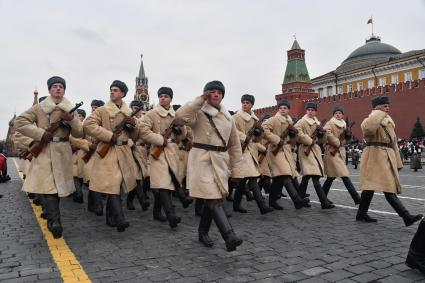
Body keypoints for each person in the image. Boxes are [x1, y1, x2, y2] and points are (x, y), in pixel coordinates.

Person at [175, 80, 244, 251]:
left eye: (219, 92)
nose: (216, 94)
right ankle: (229, 236)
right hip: (202, 160)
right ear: (206, 94)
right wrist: (199, 100)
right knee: (213, 198)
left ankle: (202, 232)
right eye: (212, 91)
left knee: (212, 199)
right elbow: (180, 117)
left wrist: (237, 170)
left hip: (220, 160)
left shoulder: (228, 117)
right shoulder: (199, 112)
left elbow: (235, 145)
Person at [15, 76, 84, 238]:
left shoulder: (70, 108)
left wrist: (72, 119)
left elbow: (79, 133)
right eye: (55, 86)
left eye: (61, 86)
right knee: (49, 187)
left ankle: (53, 218)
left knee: (57, 187)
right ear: (49, 90)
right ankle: (55, 221)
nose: (58, 89)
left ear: (64, 90)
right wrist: (40, 134)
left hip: (63, 152)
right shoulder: (39, 108)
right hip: (45, 150)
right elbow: (20, 122)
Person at [356, 96, 422, 225]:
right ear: (376, 107)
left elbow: (394, 144)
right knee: (387, 187)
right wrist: (377, 113)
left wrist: (398, 161)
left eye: (388, 106)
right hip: (374, 155)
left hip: (386, 156)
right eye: (384, 106)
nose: (388, 108)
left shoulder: (388, 122)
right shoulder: (369, 120)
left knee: (370, 188)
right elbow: (368, 130)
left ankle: (361, 214)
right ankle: (406, 216)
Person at [84, 80, 140, 232]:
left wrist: (133, 126)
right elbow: (88, 125)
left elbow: (135, 135)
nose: (112, 92)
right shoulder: (102, 110)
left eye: (115, 90)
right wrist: (109, 136)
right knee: (113, 184)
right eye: (111, 90)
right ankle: (120, 219)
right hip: (107, 152)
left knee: (115, 186)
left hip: (123, 152)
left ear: (123, 94)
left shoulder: (128, 113)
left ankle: (110, 218)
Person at [140, 87, 187, 228]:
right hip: (158, 151)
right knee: (163, 184)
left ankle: (156, 212)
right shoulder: (151, 113)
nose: (163, 98)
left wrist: (180, 130)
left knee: (165, 184)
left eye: (166, 96)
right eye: (161, 96)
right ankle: (171, 215)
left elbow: (183, 136)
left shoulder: (176, 115)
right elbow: (143, 131)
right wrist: (160, 140)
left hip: (172, 151)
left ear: (171, 99)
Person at [262, 100, 310, 210]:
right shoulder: (273, 119)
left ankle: (272, 201)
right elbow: (264, 128)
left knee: (279, 178)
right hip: (275, 150)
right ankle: (297, 200)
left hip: (286, 151)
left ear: (288, 110)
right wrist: (276, 139)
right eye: (281, 108)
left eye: (285, 108)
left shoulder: (290, 122)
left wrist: (294, 136)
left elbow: (294, 138)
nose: (282, 109)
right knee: (286, 174)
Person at [232, 94, 273, 214]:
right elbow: (234, 132)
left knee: (243, 180)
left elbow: (258, 138)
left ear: (252, 105)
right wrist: (246, 138)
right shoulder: (235, 117)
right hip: (241, 150)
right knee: (253, 177)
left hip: (252, 150)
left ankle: (236, 205)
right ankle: (262, 206)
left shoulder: (255, 120)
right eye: (243, 102)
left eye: (247, 102)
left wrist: (258, 132)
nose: (245, 104)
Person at [295, 102, 334, 209]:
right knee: (315, 176)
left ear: (315, 111)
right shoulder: (302, 121)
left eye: (312, 110)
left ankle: (299, 200)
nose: (310, 111)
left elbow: (322, 140)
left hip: (315, 149)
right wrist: (308, 140)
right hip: (305, 149)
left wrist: (322, 134)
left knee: (306, 176)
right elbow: (297, 132)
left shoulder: (318, 123)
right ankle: (324, 202)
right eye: (308, 110)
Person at [322, 106, 361, 205]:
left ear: (342, 114)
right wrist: (336, 142)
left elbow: (346, 140)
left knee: (331, 177)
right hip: (332, 151)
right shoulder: (329, 123)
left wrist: (348, 137)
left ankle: (322, 197)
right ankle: (357, 198)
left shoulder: (344, 124)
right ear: (333, 115)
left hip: (340, 151)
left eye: (340, 113)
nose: (338, 114)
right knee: (344, 175)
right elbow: (327, 134)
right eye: (336, 113)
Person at [127, 100, 150, 211]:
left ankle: (130, 200)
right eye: (133, 107)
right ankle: (142, 199)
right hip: (132, 149)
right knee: (136, 177)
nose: (135, 110)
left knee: (141, 177)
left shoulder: (145, 120)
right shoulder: (129, 119)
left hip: (143, 150)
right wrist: (131, 144)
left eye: (137, 108)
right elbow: (125, 136)